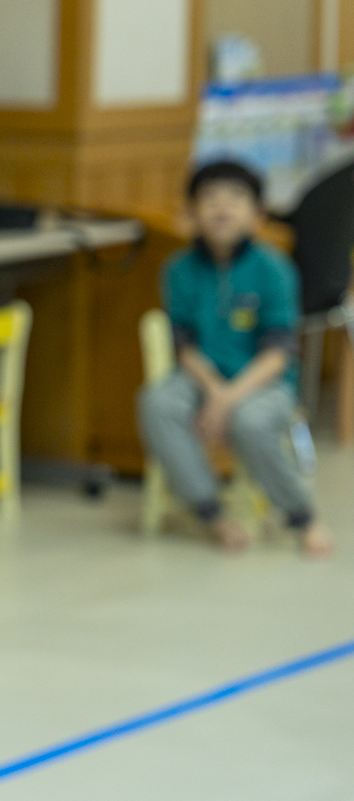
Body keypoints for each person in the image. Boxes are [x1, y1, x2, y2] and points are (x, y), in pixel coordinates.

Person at [139, 160, 332, 557]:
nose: (222, 207)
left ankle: (301, 516)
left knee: (251, 420)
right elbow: (184, 347)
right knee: (157, 403)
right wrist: (214, 391)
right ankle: (210, 513)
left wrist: (227, 399)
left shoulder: (274, 269)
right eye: (210, 198)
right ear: (191, 213)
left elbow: (277, 356)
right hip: (201, 378)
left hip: (263, 381)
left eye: (236, 198)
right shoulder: (178, 270)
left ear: (258, 215)